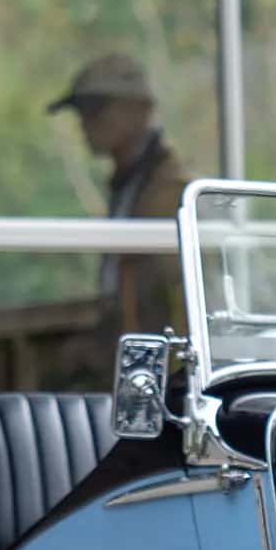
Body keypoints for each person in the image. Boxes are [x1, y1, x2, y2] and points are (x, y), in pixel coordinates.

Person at [47, 53, 192, 346]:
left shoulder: (171, 190)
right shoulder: (130, 183)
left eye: (96, 109)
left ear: (139, 109)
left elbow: (174, 293)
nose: (85, 123)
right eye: (82, 112)